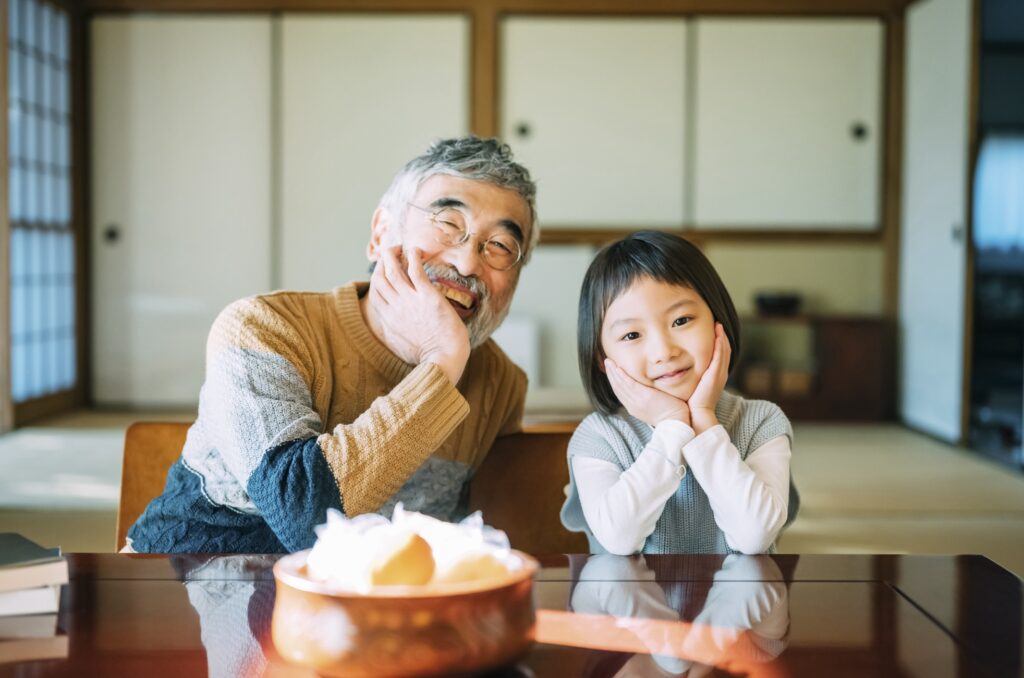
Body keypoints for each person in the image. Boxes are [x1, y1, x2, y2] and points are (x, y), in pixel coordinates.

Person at [127, 136, 538, 553]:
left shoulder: (500, 384)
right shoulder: (262, 328)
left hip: (358, 611)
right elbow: (305, 515)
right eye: (449, 224)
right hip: (175, 591)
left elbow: (476, 543)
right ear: (380, 233)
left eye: (500, 247)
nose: (467, 263)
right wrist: (441, 364)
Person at [560, 231, 798, 555]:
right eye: (631, 335)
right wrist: (672, 427)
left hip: (740, 603)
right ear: (602, 360)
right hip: (630, 605)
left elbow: (754, 536)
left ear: (719, 321)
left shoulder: (761, 421)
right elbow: (618, 539)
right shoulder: (599, 437)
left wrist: (704, 421)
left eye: (681, 320)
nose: (663, 351)